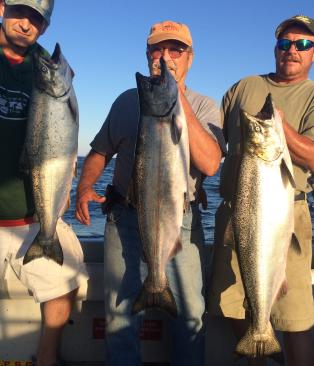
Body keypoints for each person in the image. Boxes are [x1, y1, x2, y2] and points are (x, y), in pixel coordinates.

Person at [76, 20, 223, 366]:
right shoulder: (126, 101)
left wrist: (177, 98)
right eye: (157, 49)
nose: (166, 56)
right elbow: (99, 152)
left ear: (190, 58)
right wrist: (84, 186)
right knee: (120, 317)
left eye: (176, 50)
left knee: (190, 316)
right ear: (147, 54)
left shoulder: (204, 107)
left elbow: (212, 164)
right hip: (123, 220)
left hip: (180, 224)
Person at [208, 15, 314, 366]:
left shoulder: (312, 95)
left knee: (296, 316)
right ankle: (259, 343)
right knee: (230, 301)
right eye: (285, 44)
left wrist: (281, 129)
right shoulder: (242, 87)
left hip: (287, 212)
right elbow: (213, 146)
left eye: (302, 44)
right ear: (275, 49)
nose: (293, 51)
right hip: (235, 210)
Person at [0, 1, 88, 365]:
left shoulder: (44, 66)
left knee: (64, 284)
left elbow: (65, 138)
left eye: (37, 18)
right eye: (21, 12)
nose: (26, 23)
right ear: (2, 7)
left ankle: (46, 360)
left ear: (46, 25)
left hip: (33, 215)